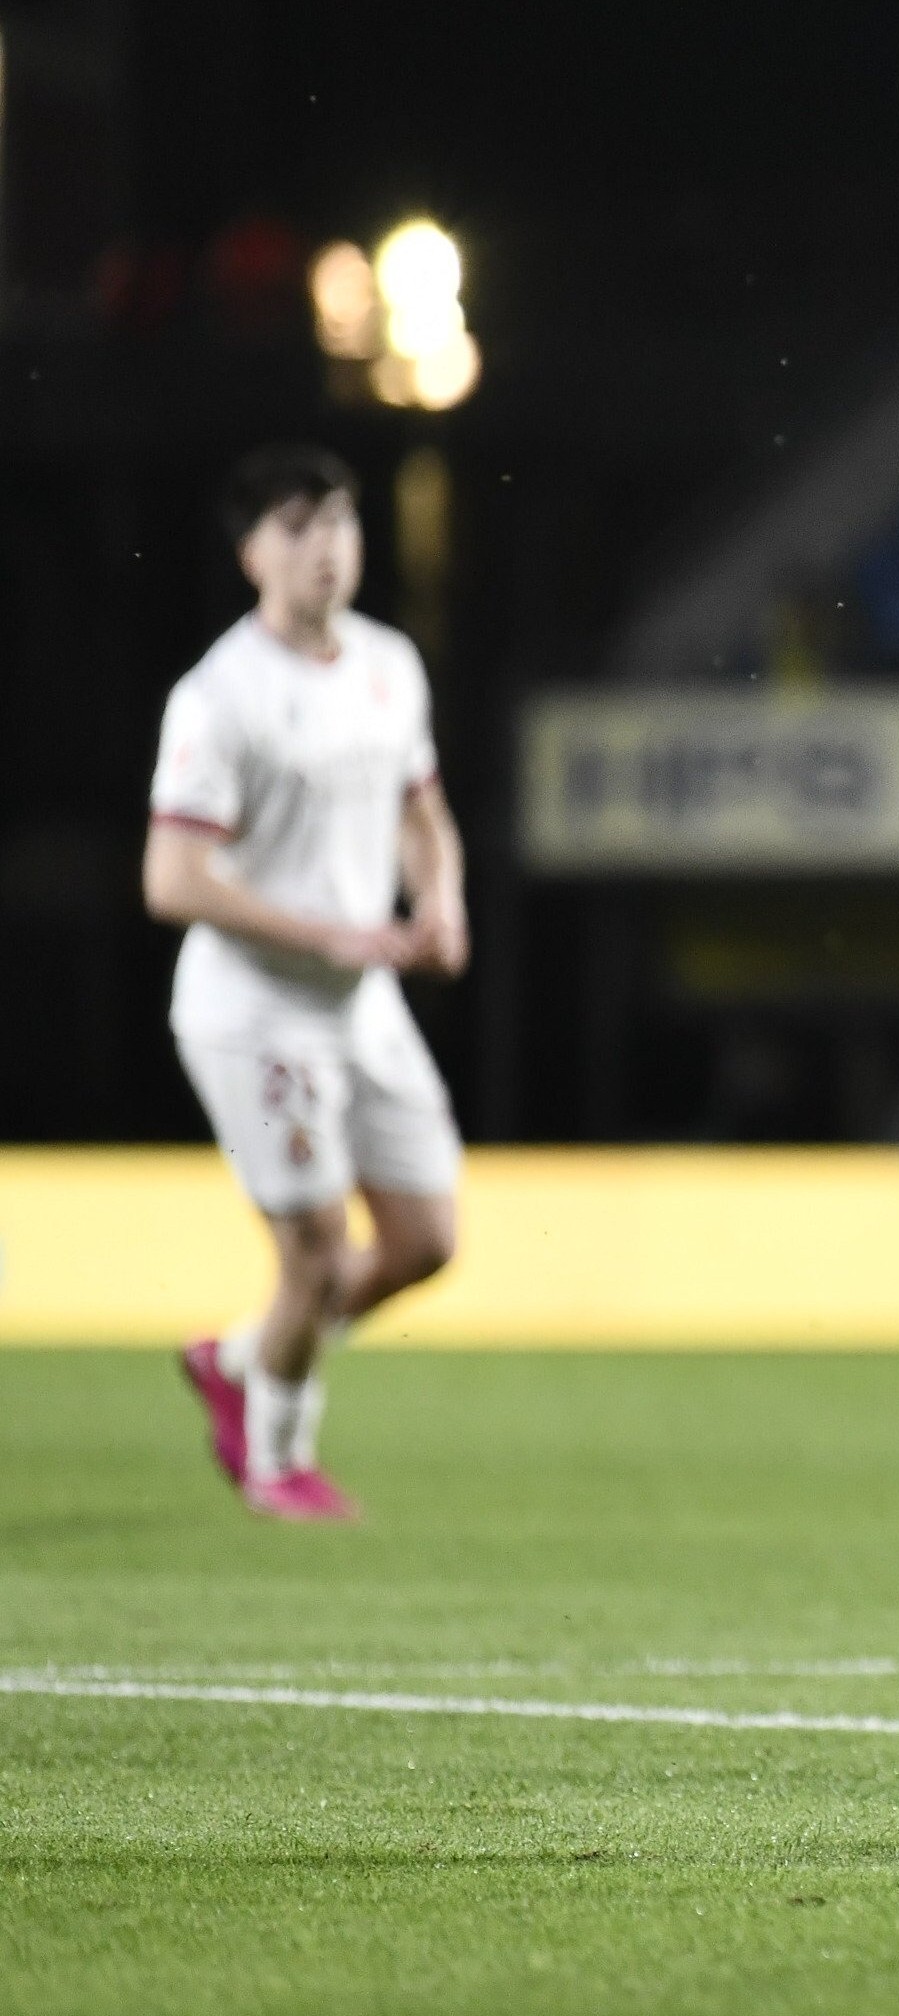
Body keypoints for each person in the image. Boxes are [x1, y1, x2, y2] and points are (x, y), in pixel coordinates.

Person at [145, 445, 469, 1522]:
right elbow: (173, 876)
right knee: (320, 1257)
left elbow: (420, 811)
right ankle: (277, 1462)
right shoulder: (218, 696)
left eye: (338, 523)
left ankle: (239, 1361)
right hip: (256, 1009)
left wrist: (442, 902)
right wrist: (324, 933)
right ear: (251, 554)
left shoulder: (387, 664)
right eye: (297, 528)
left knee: (424, 1244)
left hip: (357, 1001)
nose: (326, 548)